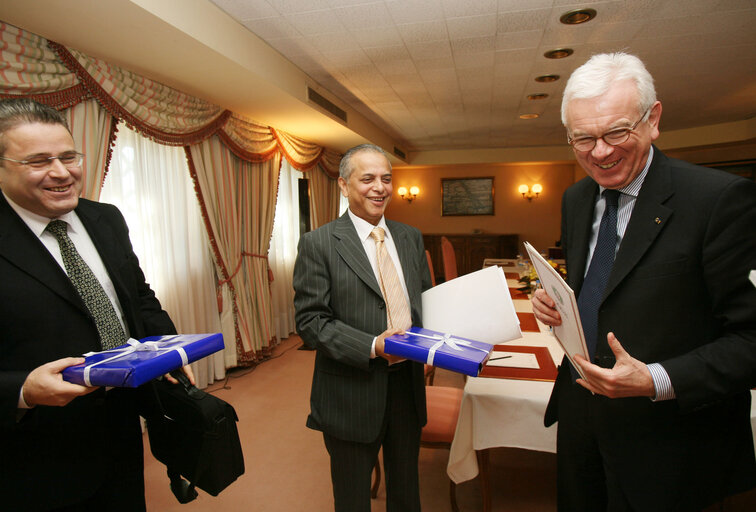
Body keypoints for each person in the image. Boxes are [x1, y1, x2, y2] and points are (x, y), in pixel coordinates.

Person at [531, 52, 756, 511]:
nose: (600, 152)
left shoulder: (718, 201)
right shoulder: (576, 198)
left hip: (670, 441)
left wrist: (655, 379)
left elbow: (750, 339)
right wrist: (560, 305)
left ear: (653, 119)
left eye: (616, 132)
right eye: (583, 138)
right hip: (581, 420)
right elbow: (608, 287)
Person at [0, 98, 184, 511]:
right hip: (32, 454)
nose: (62, 172)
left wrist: (168, 347)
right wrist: (23, 390)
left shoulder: (106, 218)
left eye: (68, 156)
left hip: (121, 427)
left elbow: (137, 296)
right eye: (38, 161)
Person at [293, 144, 432, 512]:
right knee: (353, 500)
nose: (379, 187)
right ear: (343, 185)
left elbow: (426, 302)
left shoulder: (410, 237)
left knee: (407, 494)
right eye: (367, 178)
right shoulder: (318, 243)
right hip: (350, 391)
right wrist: (372, 345)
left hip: (407, 386)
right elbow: (311, 322)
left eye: (386, 178)